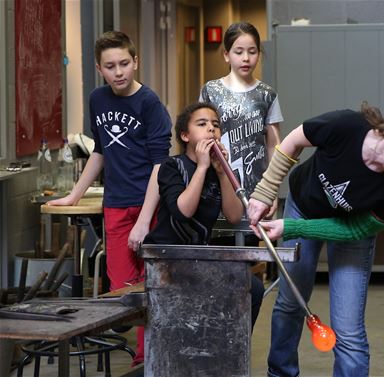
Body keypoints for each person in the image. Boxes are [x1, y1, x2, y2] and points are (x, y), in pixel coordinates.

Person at [247, 103, 384, 377]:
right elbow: (293, 140)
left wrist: (291, 228)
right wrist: (265, 191)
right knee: (291, 303)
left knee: (348, 329)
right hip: (303, 205)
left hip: (350, 230)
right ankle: (281, 373)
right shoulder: (346, 126)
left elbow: (352, 231)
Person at [47, 31, 172, 366]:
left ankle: (146, 361)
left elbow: (161, 165)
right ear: (100, 69)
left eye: (125, 64)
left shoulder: (150, 103)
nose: (119, 72)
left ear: (136, 62)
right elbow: (100, 153)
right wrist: (74, 195)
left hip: (149, 205)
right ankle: (145, 353)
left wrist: (145, 220)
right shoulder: (97, 100)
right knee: (122, 287)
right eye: (110, 66)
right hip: (115, 205)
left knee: (151, 285)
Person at [143, 102, 264, 328]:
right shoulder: (172, 166)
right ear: (185, 135)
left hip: (198, 258)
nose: (211, 129)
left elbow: (234, 216)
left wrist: (222, 172)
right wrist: (201, 167)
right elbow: (183, 211)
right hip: (166, 259)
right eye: (202, 124)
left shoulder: (219, 171)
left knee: (253, 288)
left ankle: (230, 353)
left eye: (216, 125)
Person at [199, 21, 283, 219]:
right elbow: (199, 136)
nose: (246, 58)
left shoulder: (267, 94)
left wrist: (272, 191)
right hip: (217, 183)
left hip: (256, 188)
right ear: (227, 55)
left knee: (251, 245)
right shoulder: (210, 91)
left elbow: (273, 146)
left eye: (252, 52)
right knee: (217, 244)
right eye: (239, 52)